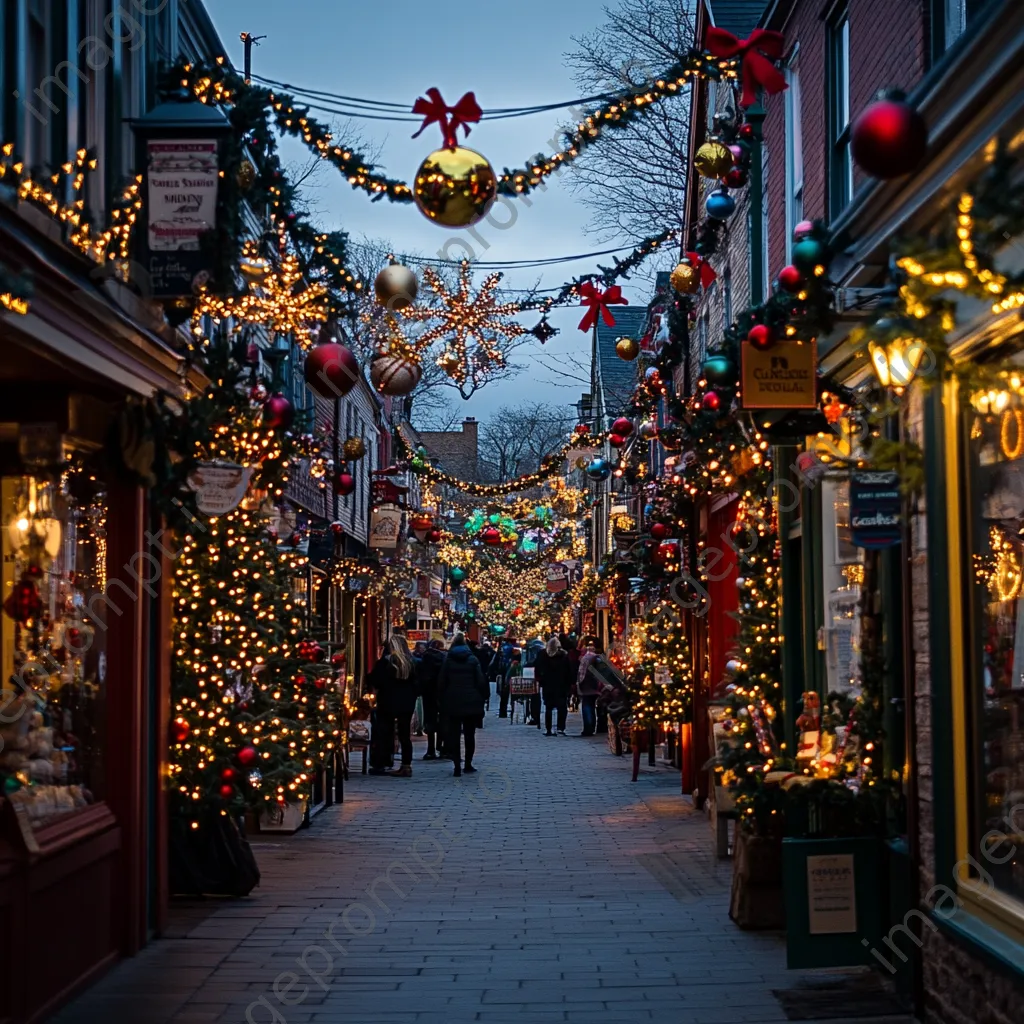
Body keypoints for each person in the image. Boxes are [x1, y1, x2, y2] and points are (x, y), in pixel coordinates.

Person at [366, 634, 417, 777]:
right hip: (407, 703)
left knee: (385, 732)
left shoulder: (386, 663)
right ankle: (406, 765)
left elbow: (375, 680)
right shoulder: (411, 663)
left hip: (388, 702)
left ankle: (381, 763)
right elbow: (418, 683)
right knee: (404, 735)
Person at [439, 633, 489, 777]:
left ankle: (456, 766)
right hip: (471, 702)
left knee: (454, 735)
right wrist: (483, 697)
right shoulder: (473, 660)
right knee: (469, 734)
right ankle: (468, 764)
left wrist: (441, 698)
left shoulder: (448, 661)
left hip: (453, 701)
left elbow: (442, 682)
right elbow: (480, 681)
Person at [535, 636, 574, 735]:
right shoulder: (564, 656)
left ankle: (548, 729)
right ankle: (560, 727)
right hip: (561, 685)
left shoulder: (542, 655)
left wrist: (540, 680)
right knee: (562, 707)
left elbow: (537, 668)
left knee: (548, 707)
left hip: (548, 685)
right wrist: (570, 683)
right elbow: (569, 671)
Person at [418, 639, 446, 760]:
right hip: (442, 694)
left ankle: (430, 750)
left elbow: (421, 677)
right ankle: (440, 746)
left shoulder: (425, 659)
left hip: (428, 694)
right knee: (442, 720)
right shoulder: (445, 659)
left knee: (430, 720)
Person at [576, 640, 601, 736]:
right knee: (591, 705)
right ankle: (592, 726)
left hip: (587, 685)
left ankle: (588, 727)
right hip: (593, 686)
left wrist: (579, 684)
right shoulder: (595, 657)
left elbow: (581, 674)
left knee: (586, 706)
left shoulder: (586, 658)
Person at [522, 638, 545, 727]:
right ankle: (536, 717)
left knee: (533, 696)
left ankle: (534, 716)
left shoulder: (531, 653)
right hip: (539, 678)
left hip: (532, 676)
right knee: (536, 697)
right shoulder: (542, 654)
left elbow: (527, 663)